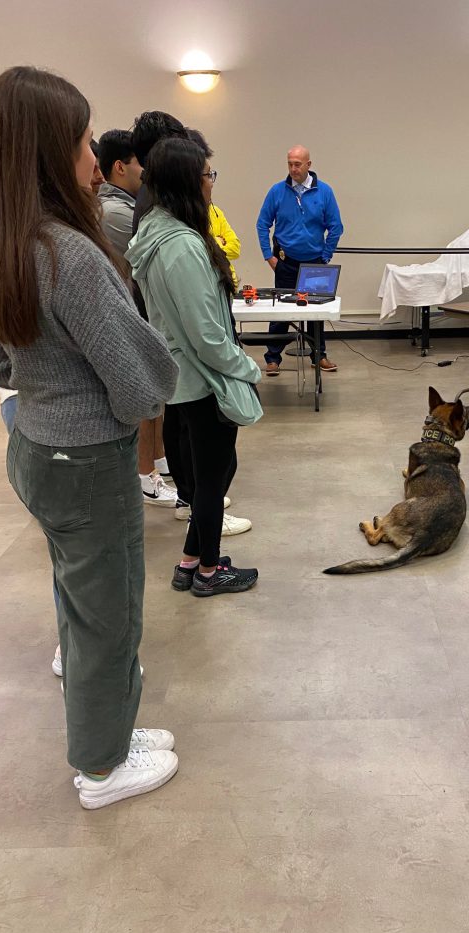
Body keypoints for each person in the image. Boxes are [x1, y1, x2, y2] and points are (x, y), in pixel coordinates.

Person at [0, 66, 180, 809]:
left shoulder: (1, 242)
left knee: (80, 598)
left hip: (34, 448)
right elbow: (140, 385)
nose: (97, 158)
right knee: (109, 612)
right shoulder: (72, 254)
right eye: (85, 140)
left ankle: (111, 732)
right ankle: (101, 765)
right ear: (48, 151)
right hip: (87, 461)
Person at [127, 137, 262, 597]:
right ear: (188, 180)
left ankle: (191, 561)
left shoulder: (156, 232)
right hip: (202, 382)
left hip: (179, 381)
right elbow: (206, 334)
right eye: (208, 174)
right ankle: (208, 572)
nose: (212, 183)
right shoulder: (182, 246)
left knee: (211, 475)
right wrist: (247, 367)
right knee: (211, 478)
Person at [97, 127, 178, 505]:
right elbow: (145, 256)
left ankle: (157, 461)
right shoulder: (115, 210)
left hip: (136, 309)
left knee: (156, 398)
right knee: (146, 397)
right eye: (138, 164)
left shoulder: (130, 205)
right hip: (129, 313)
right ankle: (146, 476)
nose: (144, 172)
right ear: (120, 167)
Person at [256, 144, 343, 375]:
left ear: (309, 165)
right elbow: (262, 224)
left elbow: (336, 227)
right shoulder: (277, 191)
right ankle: (273, 358)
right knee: (280, 312)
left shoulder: (324, 192)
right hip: (285, 262)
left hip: (314, 263)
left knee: (316, 313)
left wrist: (325, 256)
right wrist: (268, 256)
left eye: (297, 164)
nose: (293, 169)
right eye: (290, 164)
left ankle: (318, 356)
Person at [186, 128, 242, 286]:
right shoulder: (183, 220)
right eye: (207, 175)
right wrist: (218, 241)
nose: (211, 183)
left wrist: (213, 245)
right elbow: (199, 254)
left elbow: (235, 247)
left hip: (226, 285)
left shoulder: (216, 212)